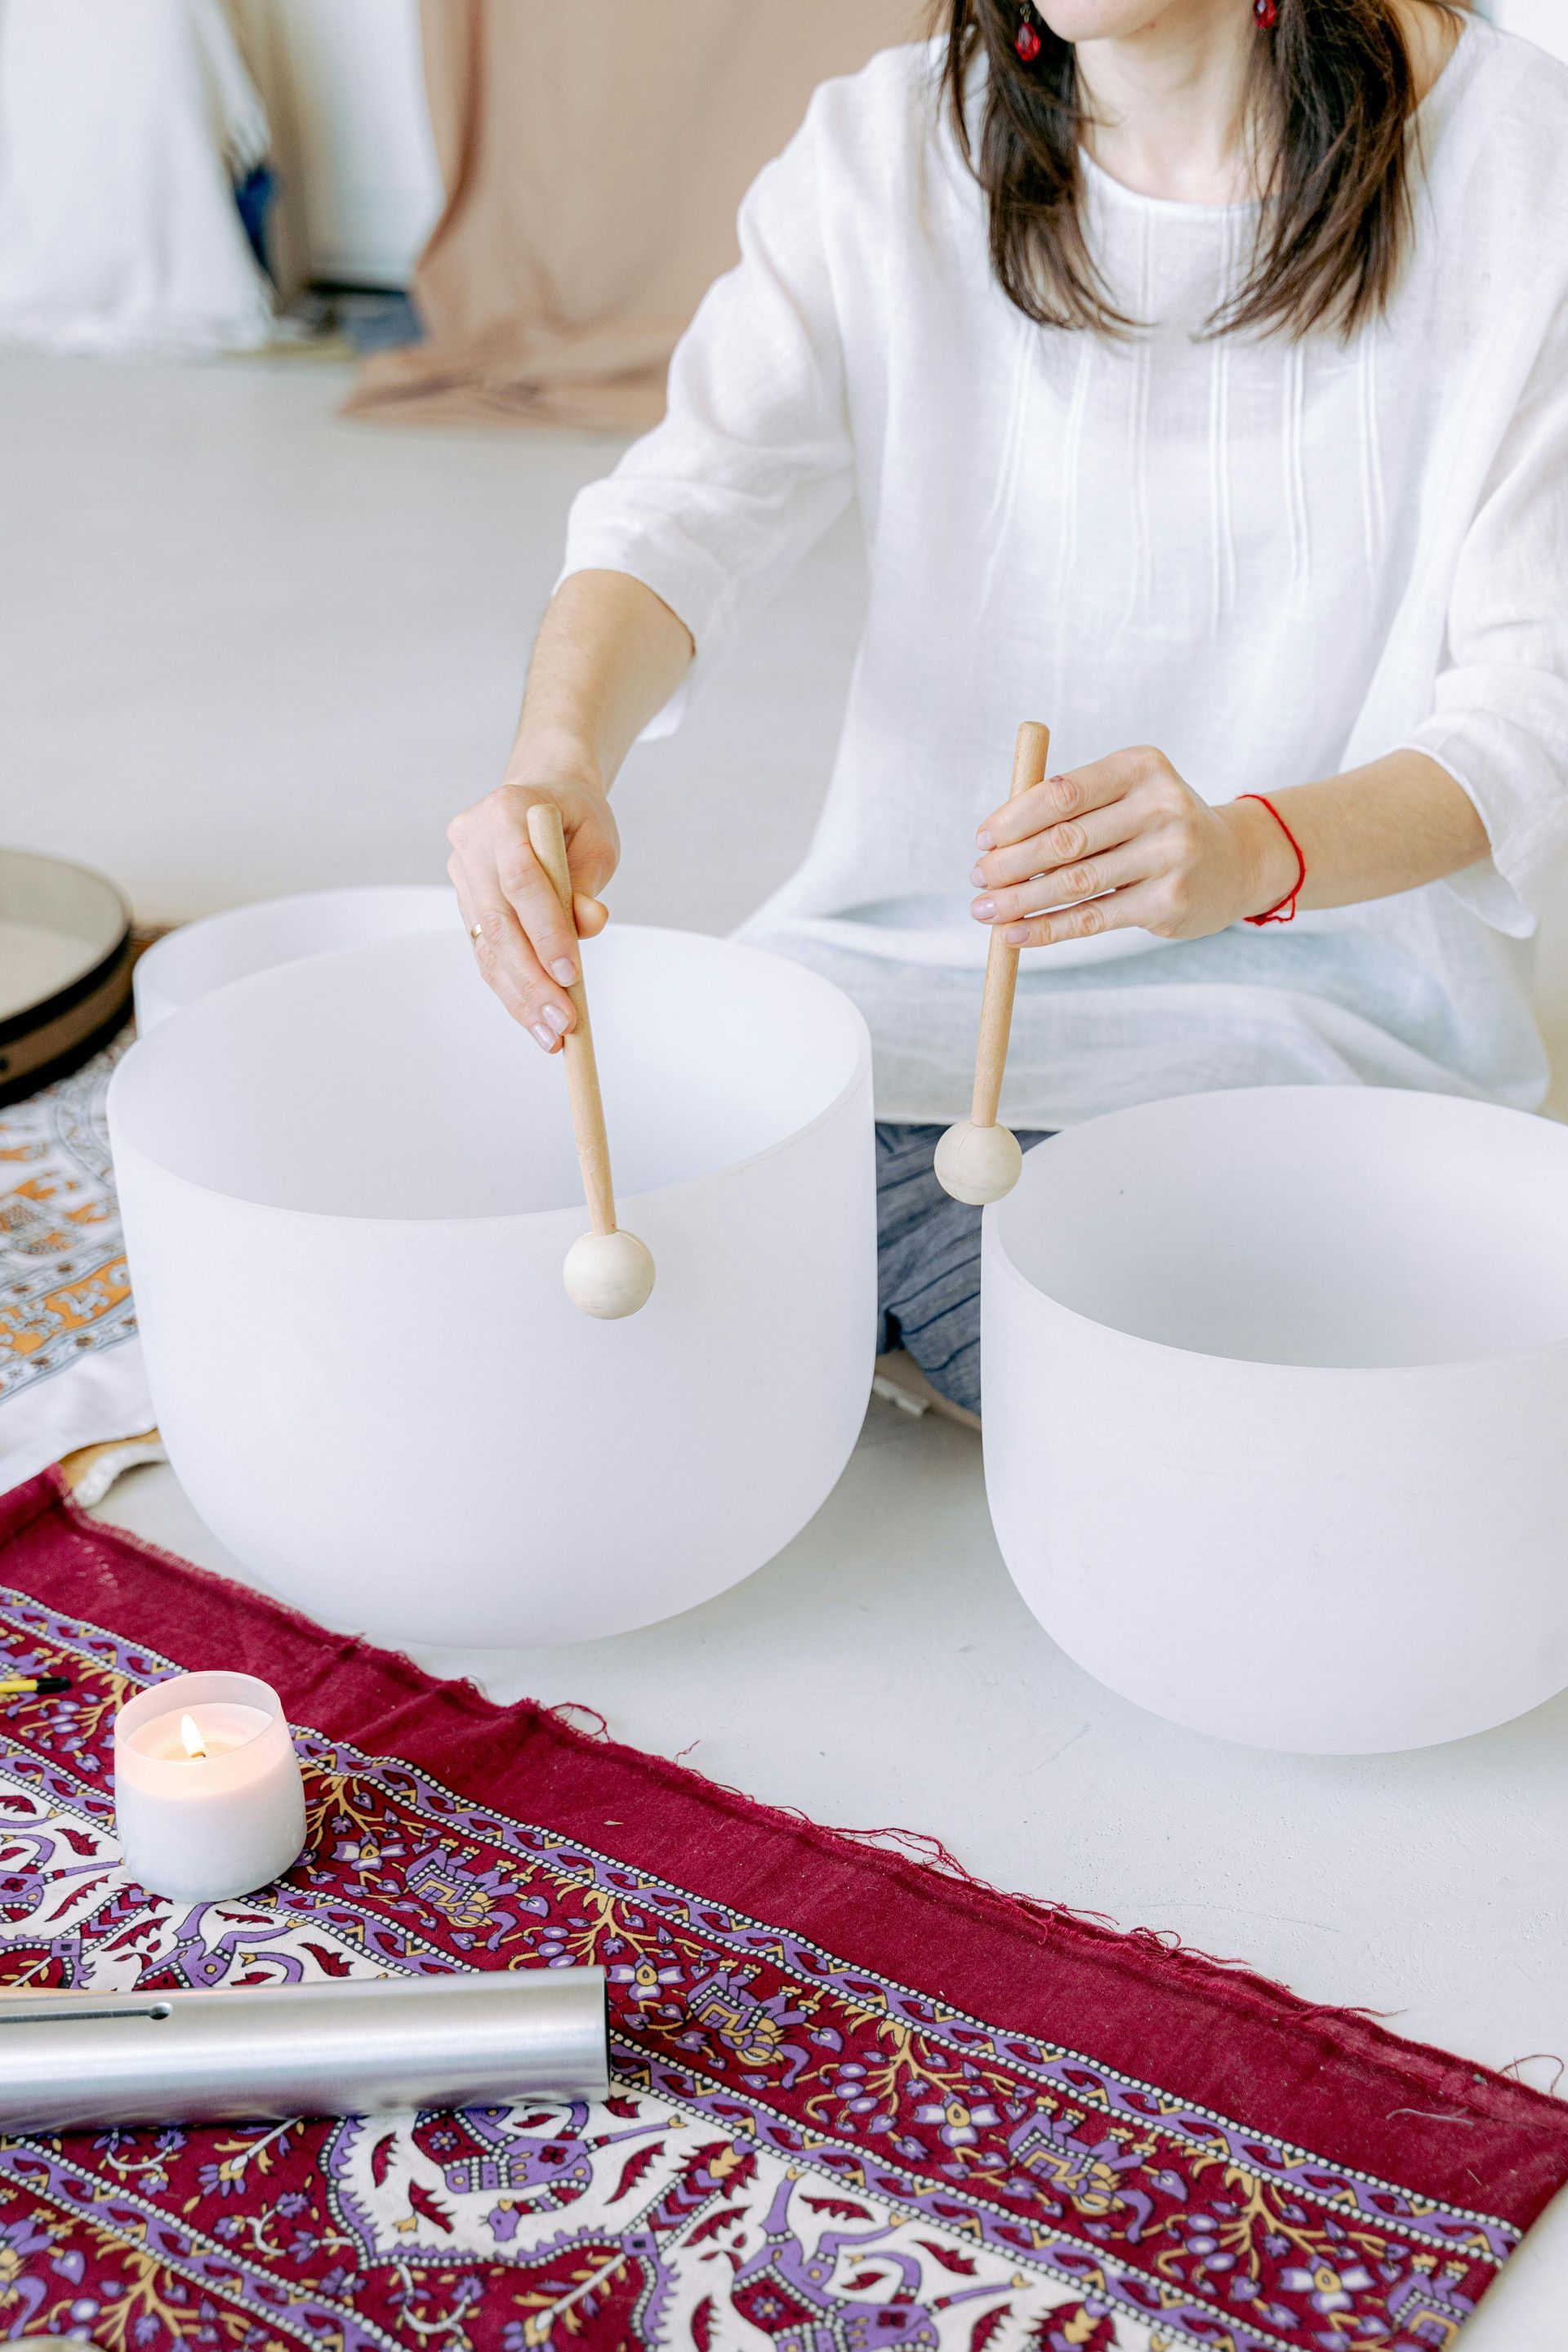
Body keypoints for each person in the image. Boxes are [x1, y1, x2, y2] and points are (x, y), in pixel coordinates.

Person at [447, 0, 1568, 1418]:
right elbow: (685, 513)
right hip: (892, 992)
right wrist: (557, 761)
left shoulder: (1526, 172)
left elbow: (1531, 717)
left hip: (1302, 1027)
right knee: (534, 1242)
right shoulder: (885, 148)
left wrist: (1246, 851)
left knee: (1122, 1373)